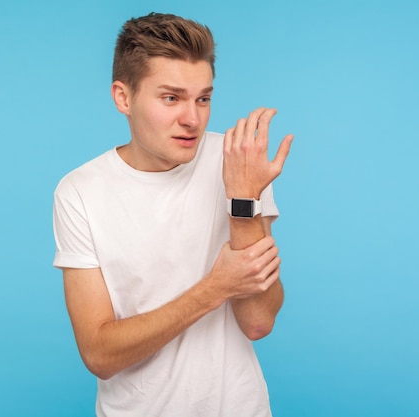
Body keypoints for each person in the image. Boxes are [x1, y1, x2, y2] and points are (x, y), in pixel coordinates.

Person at [53, 12, 293, 417]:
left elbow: (258, 322)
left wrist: (242, 200)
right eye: (171, 98)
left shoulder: (236, 162)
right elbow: (99, 354)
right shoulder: (80, 192)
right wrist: (214, 288)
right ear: (123, 97)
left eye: (203, 98)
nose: (193, 119)